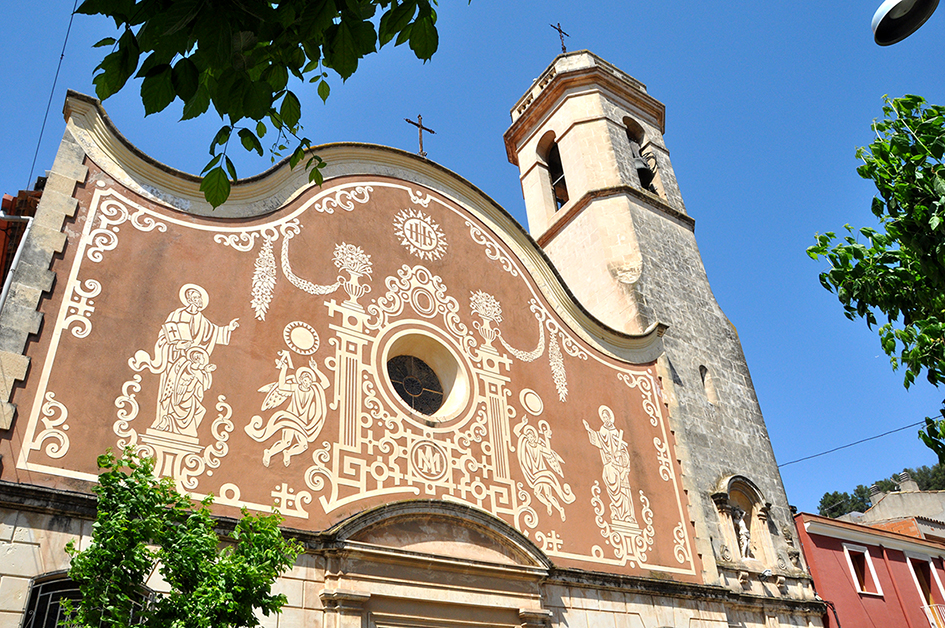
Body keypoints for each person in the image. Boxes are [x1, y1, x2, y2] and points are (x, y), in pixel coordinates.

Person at [131, 284, 238, 436]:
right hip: (175, 363)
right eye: (195, 298)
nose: (199, 301)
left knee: (191, 398)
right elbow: (165, 336)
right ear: (189, 300)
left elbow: (214, 332)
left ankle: (185, 429)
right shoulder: (177, 315)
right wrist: (177, 344)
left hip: (192, 366)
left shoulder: (203, 321)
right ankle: (165, 421)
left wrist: (228, 328)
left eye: (200, 298)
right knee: (171, 394)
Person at [246, 351, 329, 467]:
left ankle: (288, 453)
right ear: (300, 380)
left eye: (310, 381)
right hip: (290, 418)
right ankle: (268, 453)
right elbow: (282, 386)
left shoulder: (314, 389)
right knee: (286, 442)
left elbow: (326, 383)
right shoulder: (295, 388)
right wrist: (284, 369)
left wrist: (315, 369)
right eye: (305, 380)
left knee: (304, 446)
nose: (308, 383)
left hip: (303, 422)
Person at [584, 405, 636, 523]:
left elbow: (622, 447)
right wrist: (590, 430)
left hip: (619, 465)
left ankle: (627, 515)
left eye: (607, 416)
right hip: (609, 462)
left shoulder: (616, 432)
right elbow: (600, 441)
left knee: (623, 488)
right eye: (603, 417)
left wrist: (620, 454)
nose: (605, 418)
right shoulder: (603, 430)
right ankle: (617, 511)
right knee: (607, 479)